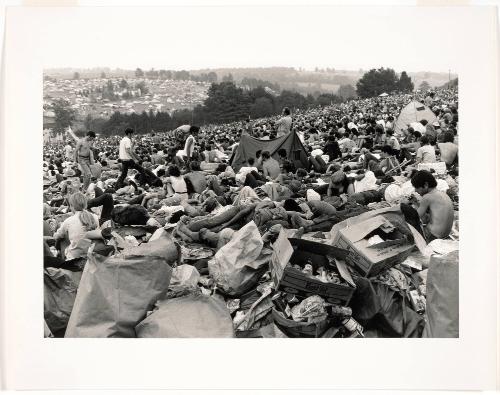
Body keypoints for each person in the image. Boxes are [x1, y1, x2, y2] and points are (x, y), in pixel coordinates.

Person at [53, 192, 100, 261]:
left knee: (62, 237)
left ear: (72, 206)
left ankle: (58, 255)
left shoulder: (69, 220)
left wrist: (54, 231)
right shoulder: (95, 217)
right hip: (92, 254)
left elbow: (56, 236)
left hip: (74, 257)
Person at [409, 170, 454, 241]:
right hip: (445, 234)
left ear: (425, 185)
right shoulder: (442, 194)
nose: (415, 190)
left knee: (408, 228)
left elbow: (416, 217)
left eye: (417, 187)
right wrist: (416, 202)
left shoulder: (427, 197)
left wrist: (412, 205)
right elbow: (432, 216)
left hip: (433, 235)